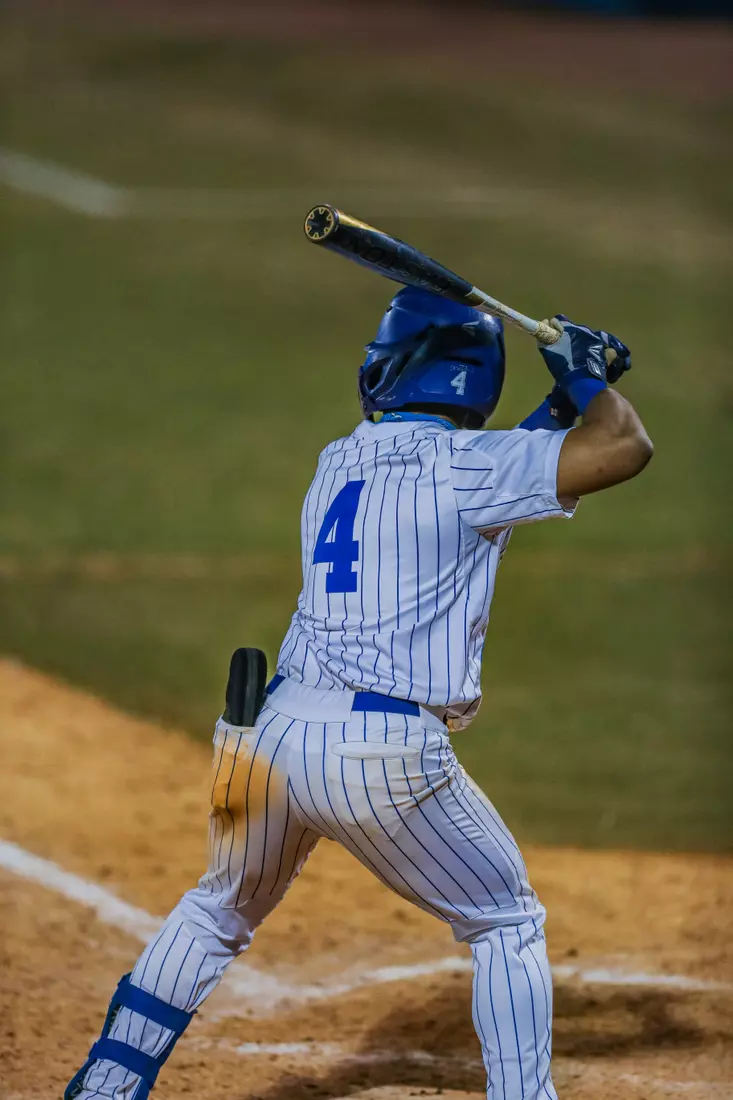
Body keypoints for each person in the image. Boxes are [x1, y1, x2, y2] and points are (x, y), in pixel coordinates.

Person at [65, 288, 652, 1100]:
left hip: (267, 740)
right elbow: (622, 446)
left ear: (392, 369)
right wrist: (586, 387)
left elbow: (492, 471)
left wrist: (560, 398)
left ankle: (104, 1087)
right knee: (504, 920)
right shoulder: (470, 472)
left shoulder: (340, 457)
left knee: (217, 909)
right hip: (381, 762)